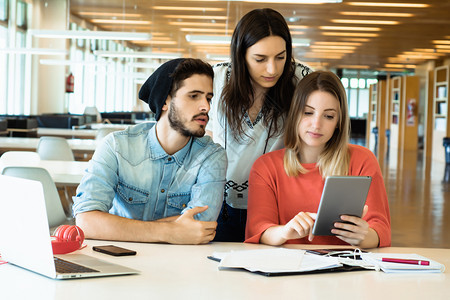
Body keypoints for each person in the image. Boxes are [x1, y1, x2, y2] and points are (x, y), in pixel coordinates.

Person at [73, 58, 227, 245]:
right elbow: (86, 221)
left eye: (208, 98)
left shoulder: (212, 156)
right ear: (164, 101)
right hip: (118, 260)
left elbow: (201, 227)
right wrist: (170, 232)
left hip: (180, 265)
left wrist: (118, 227)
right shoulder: (116, 146)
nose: (206, 107)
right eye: (194, 96)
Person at [245, 71, 391, 248]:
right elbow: (258, 230)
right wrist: (285, 231)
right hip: (287, 267)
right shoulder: (266, 166)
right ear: (295, 114)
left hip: (345, 267)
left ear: (339, 121)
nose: (316, 124)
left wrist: (364, 237)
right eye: (308, 112)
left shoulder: (362, 160)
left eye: (328, 116)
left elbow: (381, 230)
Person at [206, 8, 312, 242]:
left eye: (280, 57)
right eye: (260, 59)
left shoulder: (301, 80)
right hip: (220, 204)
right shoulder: (217, 78)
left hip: (277, 205)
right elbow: (206, 136)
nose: (272, 69)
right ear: (240, 55)